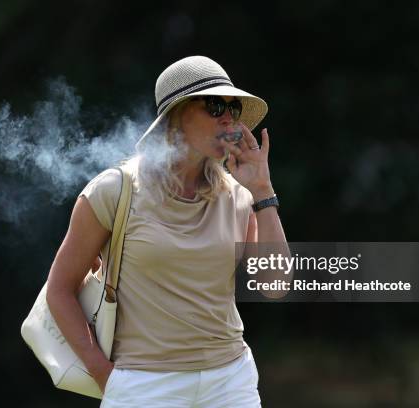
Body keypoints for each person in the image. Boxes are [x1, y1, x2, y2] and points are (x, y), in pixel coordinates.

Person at [46, 55, 289, 407]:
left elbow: (274, 286)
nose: (228, 117)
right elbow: (60, 290)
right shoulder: (114, 190)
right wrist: (103, 374)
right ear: (175, 117)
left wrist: (263, 193)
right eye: (215, 104)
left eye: (233, 108)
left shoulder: (239, 195)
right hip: (145, 387)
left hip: (230, 383)